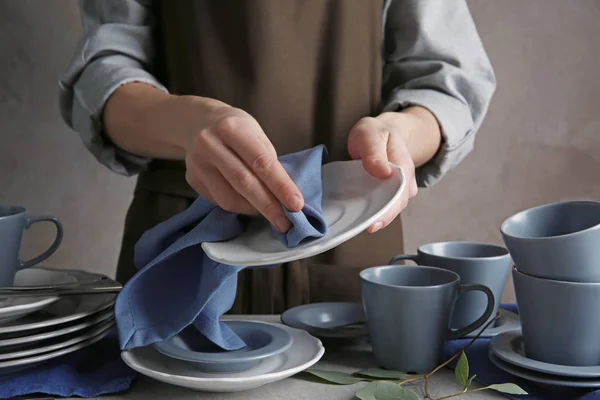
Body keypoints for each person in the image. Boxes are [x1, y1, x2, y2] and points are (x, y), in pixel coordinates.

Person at [59, 0, 495, 314]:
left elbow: (447, 81)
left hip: (349, 234)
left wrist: (398, 134)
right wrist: (188, 124)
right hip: (187, 242)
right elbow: (103, 74)